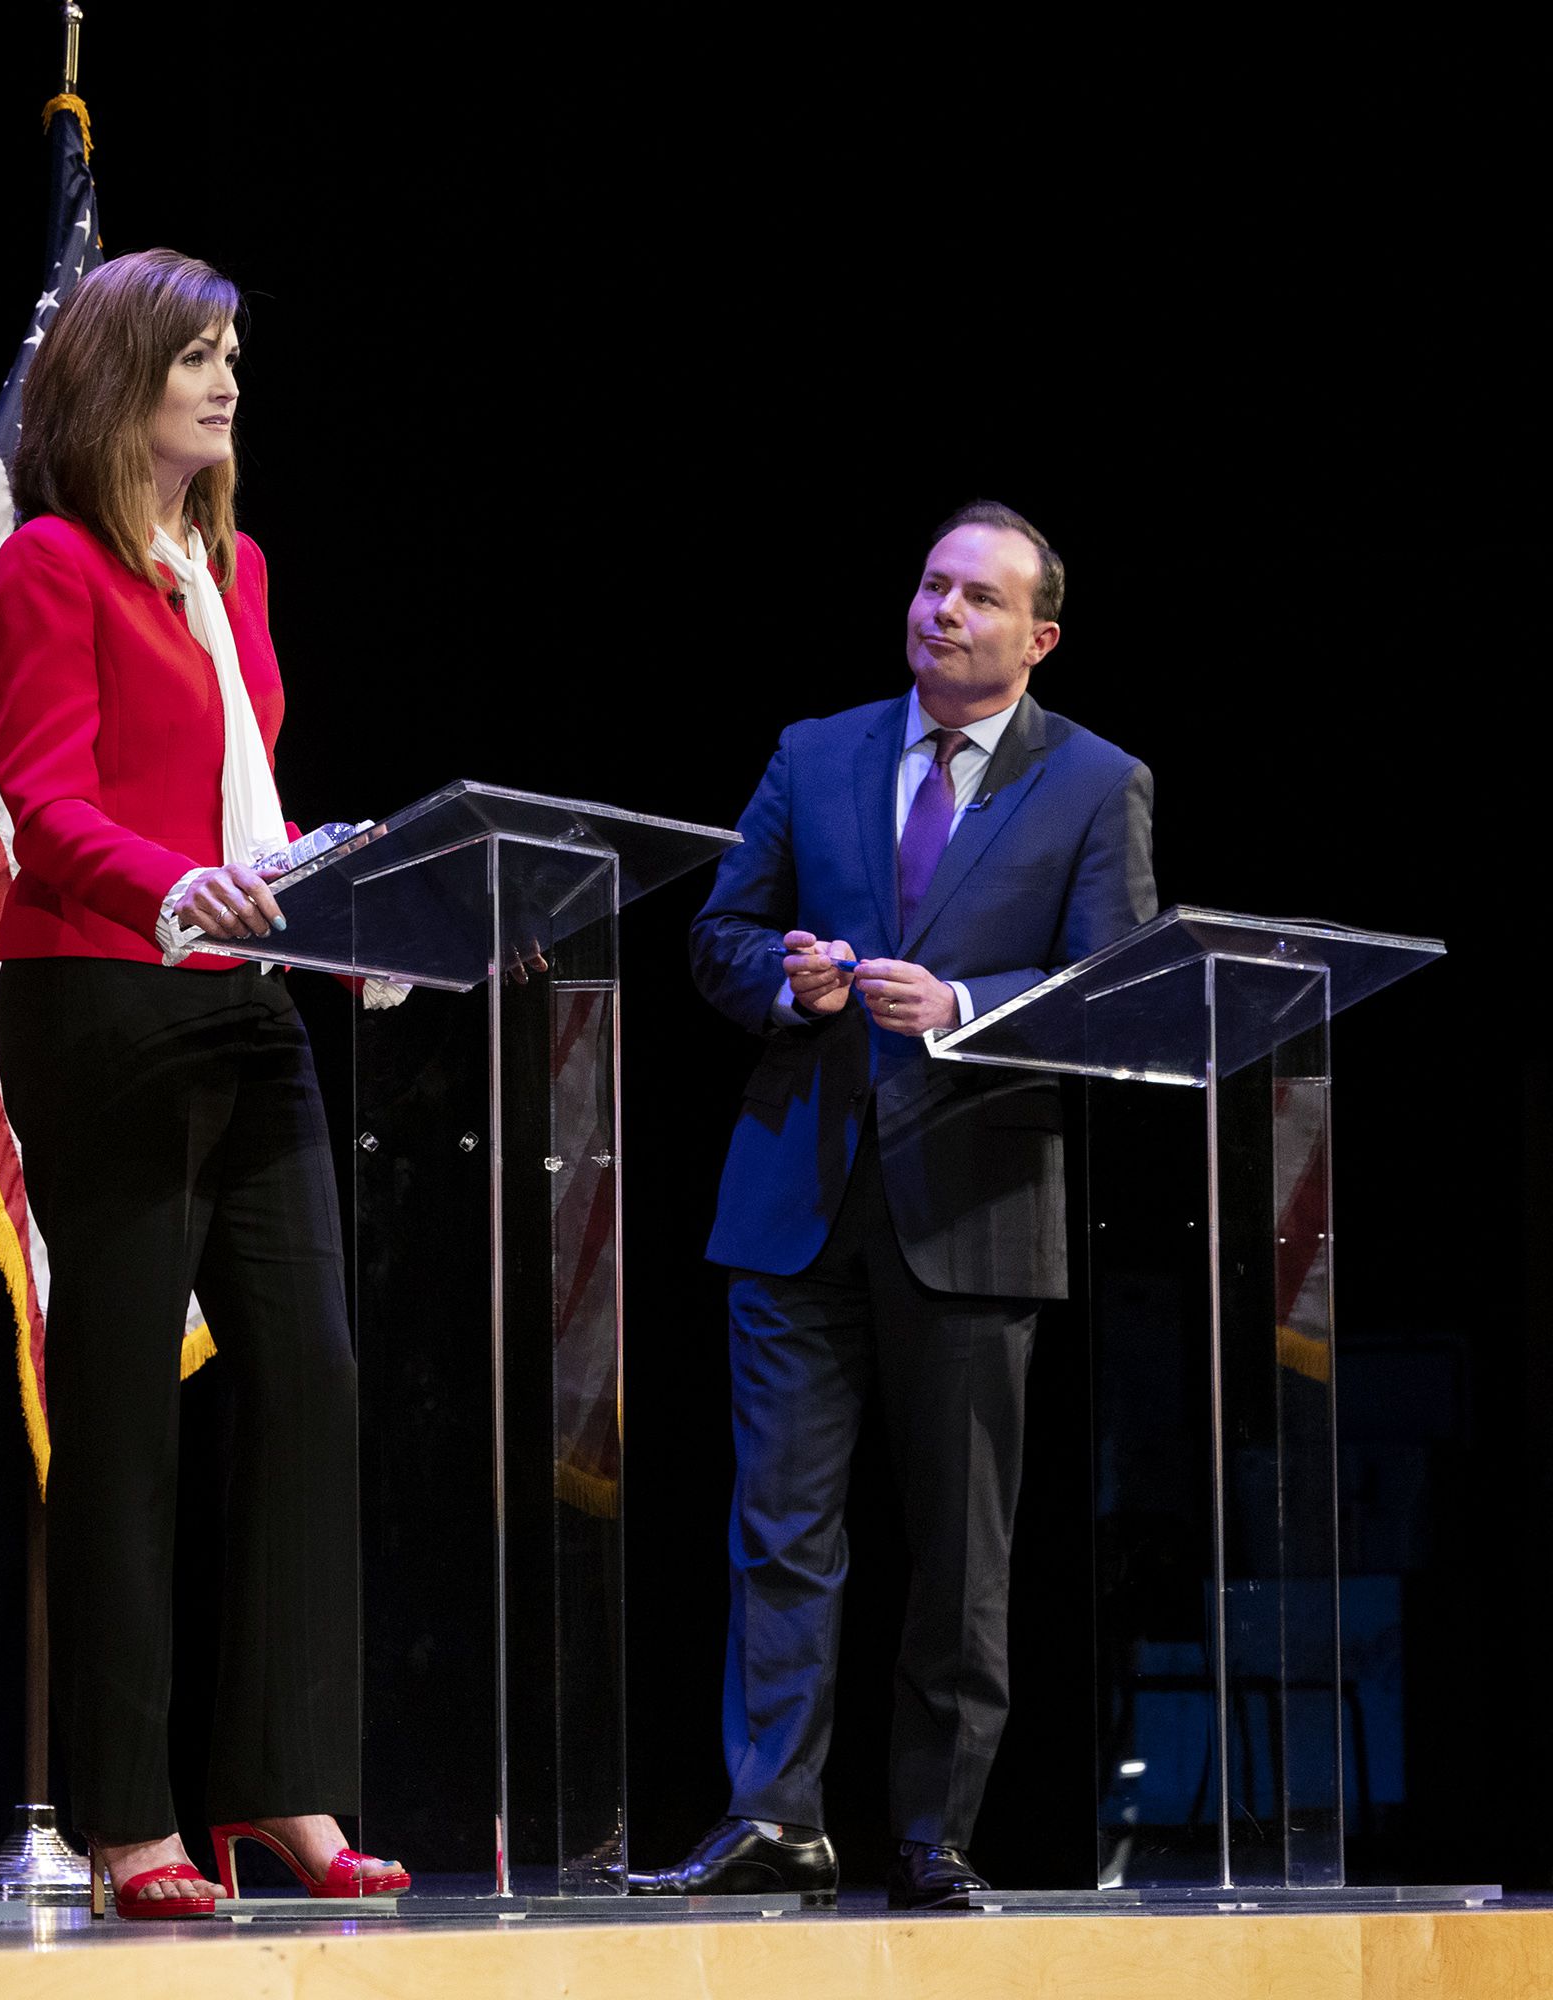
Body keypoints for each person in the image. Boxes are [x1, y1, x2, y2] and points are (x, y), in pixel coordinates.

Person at [631, 503, 1156, 1909]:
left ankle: (936, 1835)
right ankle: (774, 1820)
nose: (943, 613)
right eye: (932, 586)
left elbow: (1119, 997)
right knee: (780, 1531)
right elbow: (718, 933)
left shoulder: (1099, 784)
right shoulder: (817, 752)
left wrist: (968, 1006)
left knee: (961, 1550)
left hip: (977, 1208)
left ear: (1038, 637)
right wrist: (781, 980)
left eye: (980, 599)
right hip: (797, 1195)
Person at [0, 249, 407, 1919]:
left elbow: (248, 805)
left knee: (310, 1380)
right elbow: (47, 803)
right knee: (124, 1411)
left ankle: (284, 1786)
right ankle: (128, 1817)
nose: (225, 385)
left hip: (246, 1000)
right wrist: (167, 890)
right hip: (105, 1001)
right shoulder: (49, 568)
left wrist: (349, 900)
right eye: (193, 358)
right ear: (115, 382)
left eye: (234, 357)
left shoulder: (238, 571)